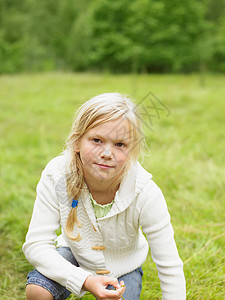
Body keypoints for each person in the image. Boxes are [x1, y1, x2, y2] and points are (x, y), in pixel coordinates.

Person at [23, 93, 186, 300]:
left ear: (132, 150)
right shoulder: (57, 176)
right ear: (77, 141)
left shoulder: (145, 192)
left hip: (123, 268)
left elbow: (169, 263)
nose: (107, 153)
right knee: (38, 291)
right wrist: (85, 280)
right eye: (97, 140)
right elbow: (36, 245)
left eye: (120, 144)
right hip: (74, 253)